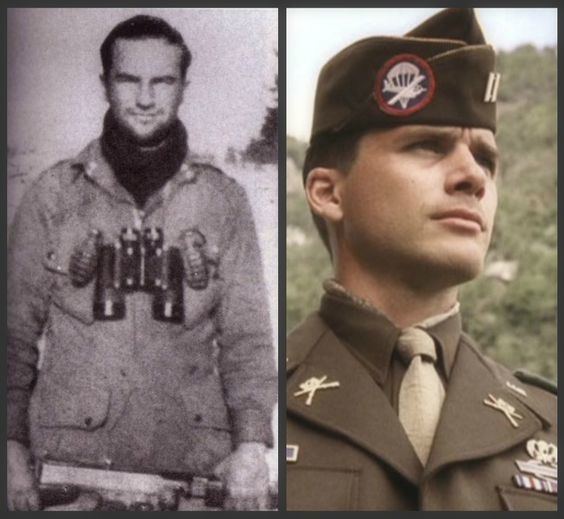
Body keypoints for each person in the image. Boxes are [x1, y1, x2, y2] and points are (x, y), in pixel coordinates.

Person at [286, 8, 556, 511]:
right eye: (428, 145)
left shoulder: (550, 425)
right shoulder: (251, 409)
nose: (473, 177)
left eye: (486, 160)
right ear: (328, 192)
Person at [7, 14, 276, 511]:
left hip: (191, 470)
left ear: (183, 87)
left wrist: (251, 446)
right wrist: (9, 445)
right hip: (71, 473)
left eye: (162, 81)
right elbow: (12, 337)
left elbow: (249, 340)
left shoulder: (224, 202)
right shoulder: (52, 197)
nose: (146, 98)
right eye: (129, 79)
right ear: (105, 84)